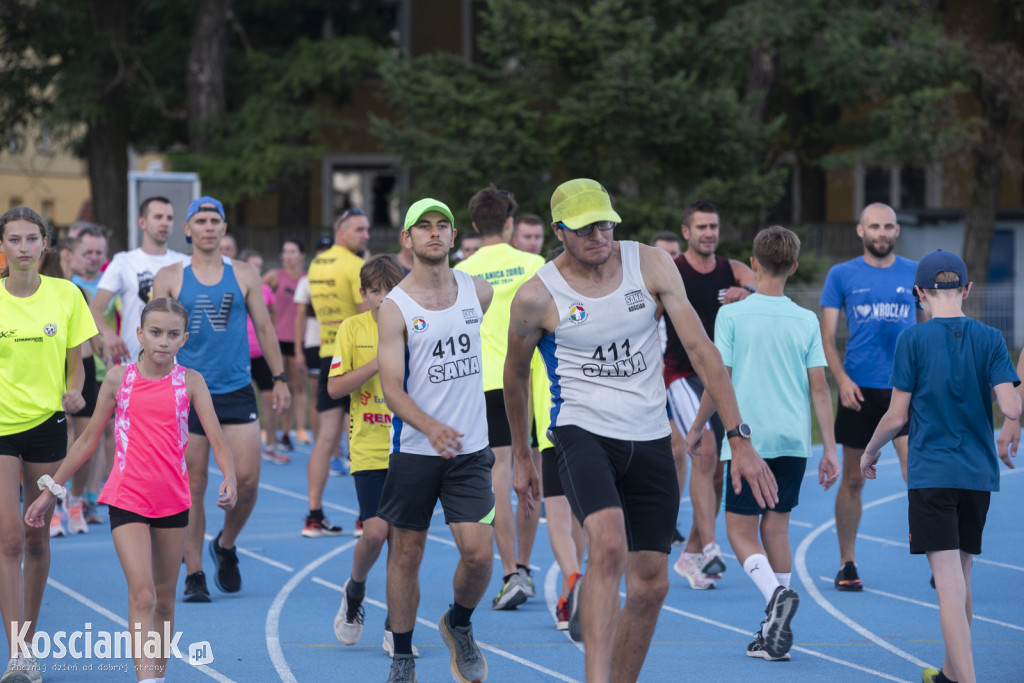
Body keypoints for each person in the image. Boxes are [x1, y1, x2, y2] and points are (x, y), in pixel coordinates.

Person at [504, 178, 777, 683]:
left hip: (649, 432)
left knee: (651, 585)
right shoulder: (536, 296)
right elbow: (514, 374)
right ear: (559, 230)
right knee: (607, 544)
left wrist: (740, 439)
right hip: (580, 428)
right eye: (585, 228)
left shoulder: (649, 263)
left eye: (605, 223)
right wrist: (522, 452)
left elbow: (702, 350)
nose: (599, 235)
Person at [24, 298, 238, 683]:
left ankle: (157, 674)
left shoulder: (190, 382)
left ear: (184, 339)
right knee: (142, 595)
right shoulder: (119, 379)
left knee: (166, 602)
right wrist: (49, 492)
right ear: (139, 334)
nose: (163, 341)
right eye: (155, 332)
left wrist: (230, 477)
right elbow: (88, 440)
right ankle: (148, 680)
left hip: (173, 502)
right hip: (127, 499)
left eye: (173, 335)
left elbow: (217, 439)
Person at [861, 250, 1020, 683]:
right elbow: (1010, 405)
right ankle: (952, 673)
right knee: (962, 577)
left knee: (947, 583)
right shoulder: (990, 338)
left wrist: (870, 451)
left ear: (919, 294)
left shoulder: (912, 340)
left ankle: (966, 680)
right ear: (967, 290)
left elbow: (896, 417)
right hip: (977, 474)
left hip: (932, 473)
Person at [685, 226, 839, 662]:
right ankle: (773, 626)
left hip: (747, 438)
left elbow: (720, 380)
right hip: (793, 439)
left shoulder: (732, 316)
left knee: (738, 531)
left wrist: (698, 428)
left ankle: (774, 598)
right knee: (777, 527)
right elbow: (820, 389)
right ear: (793, 267)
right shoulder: (806, 320)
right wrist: (828, 447)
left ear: (752, 264)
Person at [376, 198, 495, 683]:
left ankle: (458, 623)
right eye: (422, 226)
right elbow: (391, 390)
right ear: (406, 239)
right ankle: (403, 656)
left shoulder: (478, 291)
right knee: (407, 554)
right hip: (417, 452)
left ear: (452, 235)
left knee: (479, 555)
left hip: (469, 451)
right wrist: (430, 426)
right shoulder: (395, 307)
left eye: (442, 225)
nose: (434, 233)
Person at [151, 196, 289, 603]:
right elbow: (155, 333)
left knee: (246, 481)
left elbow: (264, 329)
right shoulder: (170, 276)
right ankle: (194, 572)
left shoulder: (245, 274)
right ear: (188, 229)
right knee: (194, 484)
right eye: (201, 220)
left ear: (224, 228)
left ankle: (225, 545)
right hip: (187, 391)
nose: (209, 227)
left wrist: (279, 378)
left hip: (235, 389)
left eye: (216, 220)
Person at [0, 206, 97, 682]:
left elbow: (75, 364)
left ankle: (29, 643)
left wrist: (76, 388)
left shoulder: (67, 295)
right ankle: (17, 654)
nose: (22, 248)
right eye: (13, 239)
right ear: (3, 246)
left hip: (48, 424)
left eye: (30, 239)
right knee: (10, 536)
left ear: (44, 244)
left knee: (37, 536)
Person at [455, 185, 545, 610]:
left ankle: (510, 573)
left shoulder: (464, 271)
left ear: (474, 225)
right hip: (531, 381)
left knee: (501, 476)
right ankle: (524, 566)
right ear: (510, 223)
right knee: (534, 472)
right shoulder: (535, 263)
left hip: (487, 381)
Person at [820, 202, 917, 591]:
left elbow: (928, 332)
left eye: (888, 226)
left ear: (896, 231)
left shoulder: (914, 272)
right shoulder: (841, 275)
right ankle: (847, 562)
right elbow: (826, 338)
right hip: (858, 391)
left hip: (904, 391)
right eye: (874, 226)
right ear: (861, 231)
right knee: (854, 480)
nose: (881, 233)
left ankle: (938, 554)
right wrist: (842, 379)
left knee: (920, 476)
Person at [326, 255, 416, 656]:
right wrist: (376, 364)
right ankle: (355, 590)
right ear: (363, 295)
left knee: (405, 544)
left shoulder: (417, 327)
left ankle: (395, 627)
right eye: (375, 291)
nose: (382, 299)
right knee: (376, 532)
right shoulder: (352, 328)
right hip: (368, 447)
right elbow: (334, 389)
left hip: (412, 446)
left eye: (391, 290)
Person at [663, 199, 755, 589]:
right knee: (704, 453)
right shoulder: (673, 270)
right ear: (686, 231)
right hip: (680, 373)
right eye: (701, 227)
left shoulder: (730, 269)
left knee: (718, 472)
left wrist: (746, 291)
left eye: (713, 226)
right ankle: (713, 547)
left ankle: (691, 556)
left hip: (719, 378)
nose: (709, 233)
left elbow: (762, 285)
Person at [304, 208, 370, 536]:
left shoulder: (317, 263)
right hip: (356, 355)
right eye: (359, 229)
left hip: (328, 352)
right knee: (360, 434)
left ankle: (314, 516)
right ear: (341, 230)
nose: (366, 235)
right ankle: (364, 516)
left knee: (325, 437)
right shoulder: (356, 266)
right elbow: (366, 313)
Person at [91, 196, 188, 364]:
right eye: (158, 217)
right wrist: (108, 334)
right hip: (133, 361)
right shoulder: (123, 261)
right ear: (142, 222)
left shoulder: (184, 263)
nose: (165, 222)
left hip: (178, 364)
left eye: (169, 218)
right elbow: (95, 308)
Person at [239, 249, 288, 465]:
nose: (257, 270)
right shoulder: (235, 287)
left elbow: (272, 316)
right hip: (239, 354)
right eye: (253, 265)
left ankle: (270, 445)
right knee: (242, 401)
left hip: (261, 355)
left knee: (269, 399)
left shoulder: (265, 290)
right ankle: (239, 446)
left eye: (260, 266)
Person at [264, 238, 308, 450]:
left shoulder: (308, 279)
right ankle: (277, 432)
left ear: (302, 256)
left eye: (292, 251)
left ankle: (294, 431)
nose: (288, 256)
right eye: (285, 251)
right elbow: (255, 293)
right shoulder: (274, 276)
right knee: (278, 385)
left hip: (300, 340)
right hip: (278, 338)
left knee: (297, 387)